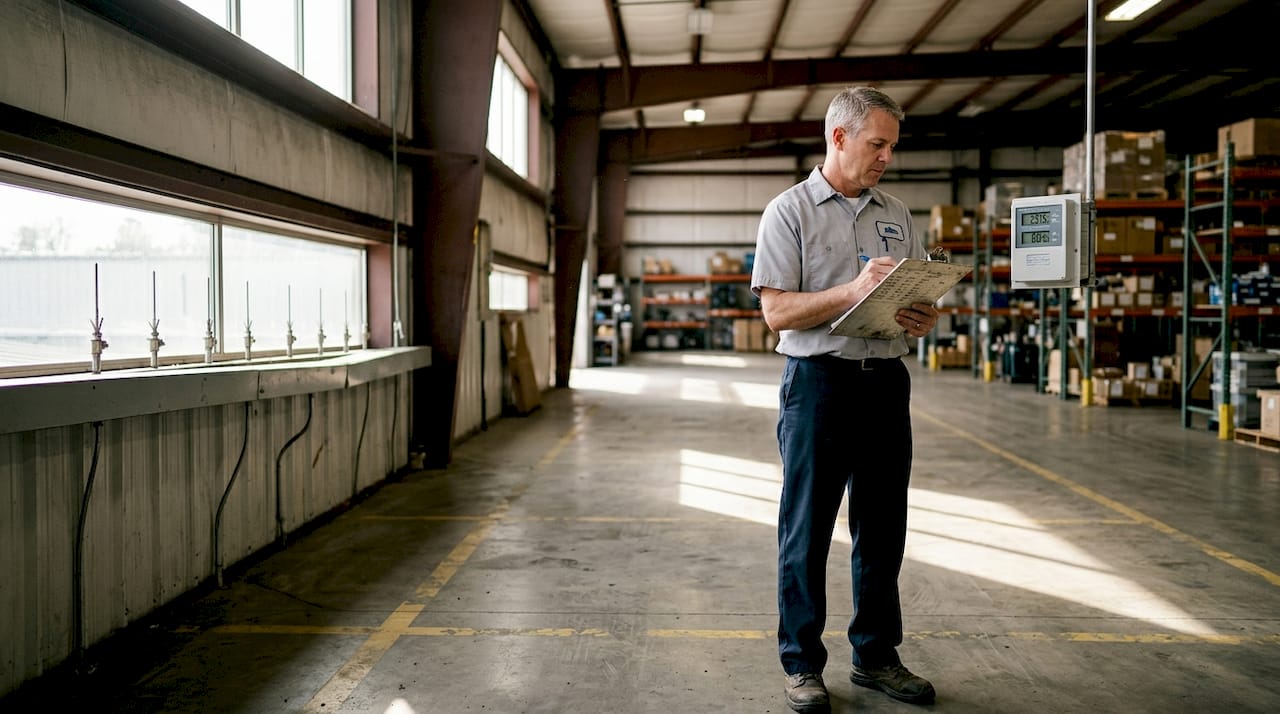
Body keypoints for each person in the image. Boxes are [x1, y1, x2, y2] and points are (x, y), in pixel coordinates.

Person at [750, 86, 938, 713]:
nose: (886, 156)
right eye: (876, 143)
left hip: (886, 383)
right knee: (806, 530)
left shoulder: (897, 213)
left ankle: (876, 656)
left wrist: (919, 314)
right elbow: (776, 312)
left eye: (892, 146)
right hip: (819, 385)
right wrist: (852, 290)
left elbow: (908, 293)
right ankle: (802, 664)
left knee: (883, 530)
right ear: (838, 137)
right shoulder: (789, 212)